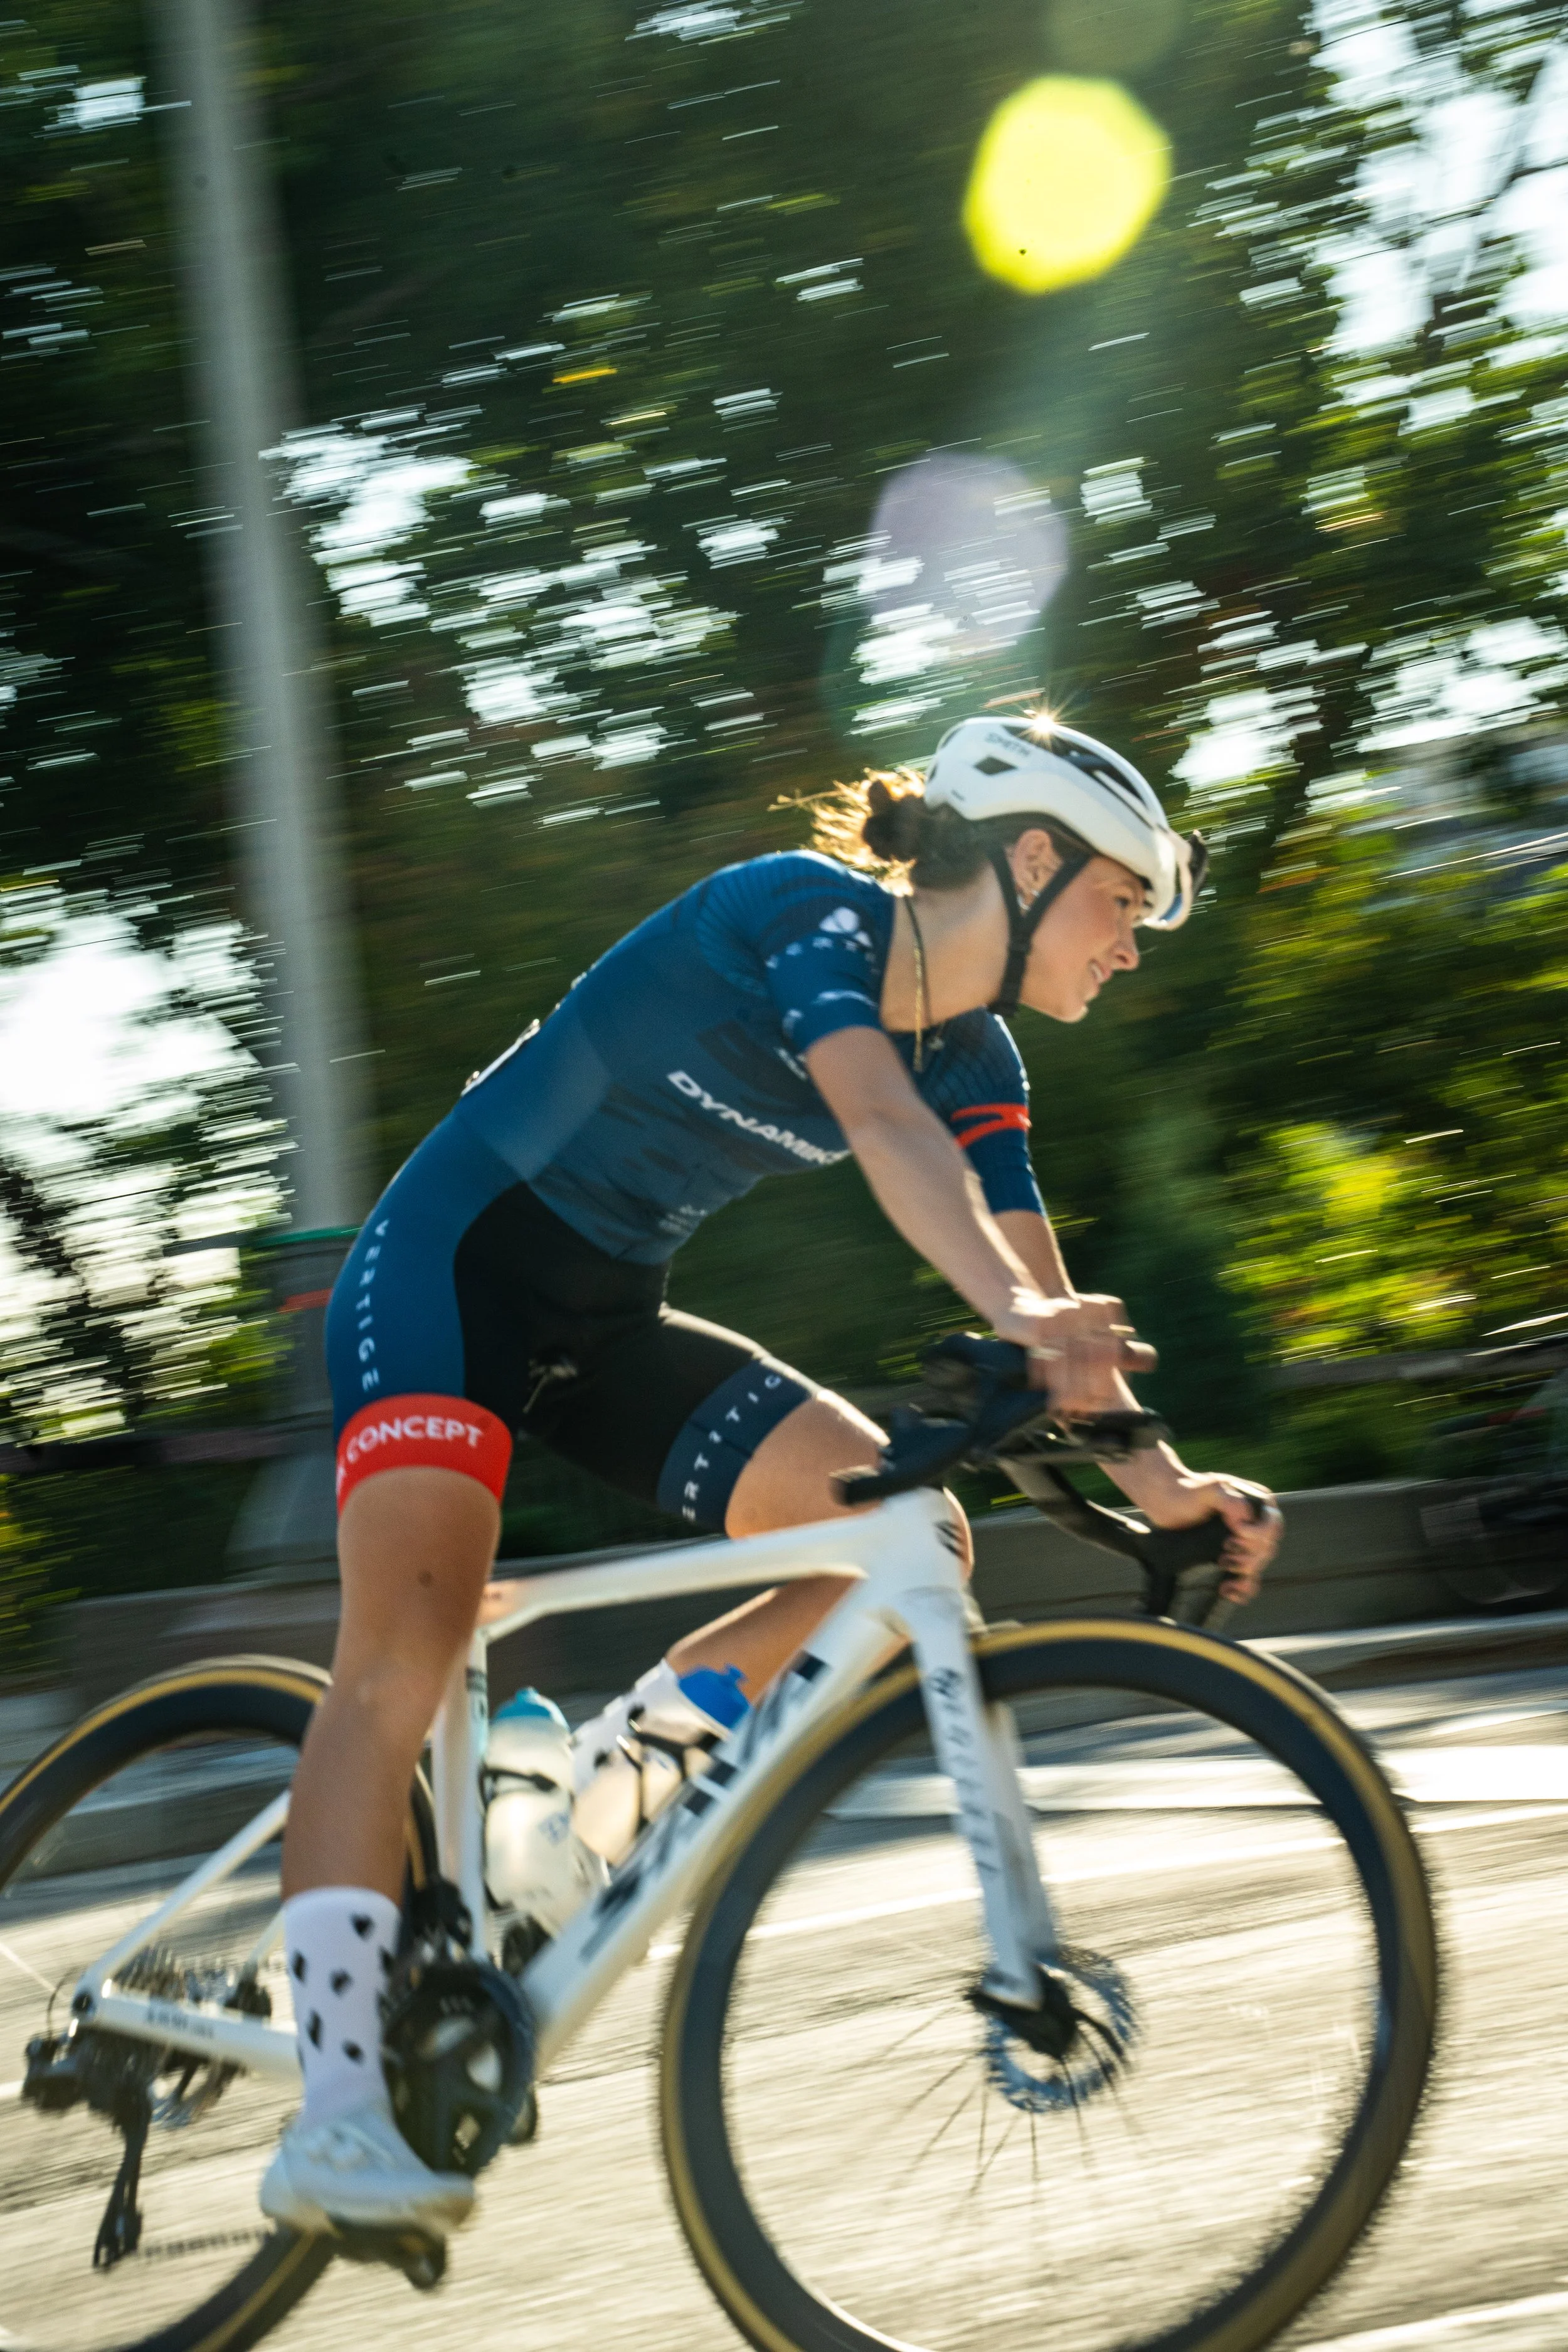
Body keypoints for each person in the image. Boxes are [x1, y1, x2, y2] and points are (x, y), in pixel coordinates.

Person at [259, 712, 1285, 2239]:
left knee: (907, 1542)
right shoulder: (804, 917)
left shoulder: (982, 1053)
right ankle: (333, 2115)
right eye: (1119, 902)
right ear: (1025, 860)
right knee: (400, 1656)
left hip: (605, 1327)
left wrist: (1164, 1481)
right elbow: (875, 1121)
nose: (1129, 945)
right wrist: (1020, 1319)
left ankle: (600, 1788)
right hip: (446, 1281)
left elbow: (1028, 1273)